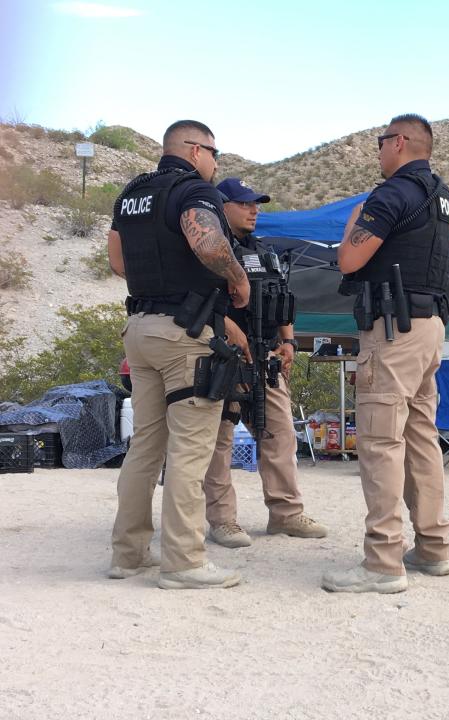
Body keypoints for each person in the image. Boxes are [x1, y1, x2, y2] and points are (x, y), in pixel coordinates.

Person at [106, 120, 251, 589]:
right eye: (214, 152)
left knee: (145, 446)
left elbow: (117, 260)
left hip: (139, 328)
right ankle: (184, 562)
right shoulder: (194, 191)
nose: (215, 162)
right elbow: (207, 241)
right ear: (194, 150)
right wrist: (237, 278)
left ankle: (128, 555)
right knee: (191, 450)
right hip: (184, 333)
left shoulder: (132, 194)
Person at [322, 114, 449, 594]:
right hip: (429, 327)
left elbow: (349, 259)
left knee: (381, 442)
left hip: (394, 331)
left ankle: (382, 562)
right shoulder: (444, 198)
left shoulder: (393, 194)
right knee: (421, 438)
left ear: (399, 142)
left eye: (381, 143)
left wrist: (355, 218)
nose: (378, 152)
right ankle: (433, 548)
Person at [201, 177, 328, 547]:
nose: (254, 209)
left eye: (256, 203)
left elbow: (282, 299)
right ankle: (223, 521)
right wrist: (231, 336)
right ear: (223, 206)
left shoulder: (265, 251)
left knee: (280, 435)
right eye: (245, 203)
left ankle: (286, 514)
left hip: (267, 358)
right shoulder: (208, 249)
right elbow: (201, 303)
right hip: (224, 357)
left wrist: (289, 341)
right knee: (220, 442)